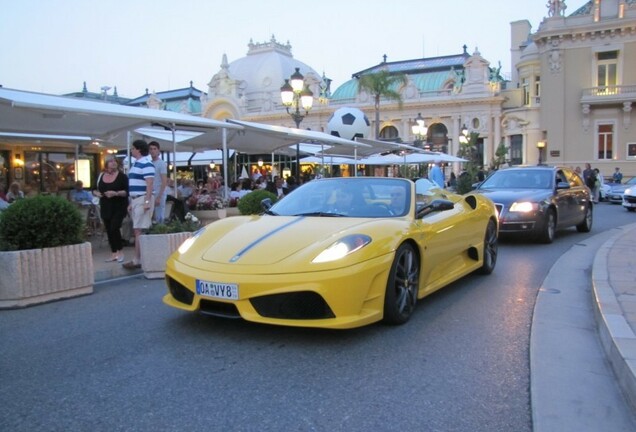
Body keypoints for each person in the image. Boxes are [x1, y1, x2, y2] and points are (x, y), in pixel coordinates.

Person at [122, 139, 155, 270]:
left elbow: (150, 183)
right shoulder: (137, 163)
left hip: (142, 198)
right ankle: (138, 258)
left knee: (138, 230)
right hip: (137, 199)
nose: (131, 150)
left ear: (138, 149)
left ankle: (137, 259)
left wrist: (147, 201)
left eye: (133, 148)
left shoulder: (146, 164)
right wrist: (132, 202)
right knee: (138, 229)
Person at [93, 157, 129, 263]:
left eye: (115, 161)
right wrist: (96, 193)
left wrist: (116, 193)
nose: (113, 163)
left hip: (119, 205)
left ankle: (120, 252)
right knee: (109, 229)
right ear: (106, 164)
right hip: (105, 205)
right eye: (111, 161)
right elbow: (93, 189)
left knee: (114, 227)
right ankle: (113, 253)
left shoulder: (122, 177)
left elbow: (127, 192)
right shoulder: (101, 175)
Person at [148, 141, 168, 223]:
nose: (152, 151)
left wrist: (159, 196)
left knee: (159, 217)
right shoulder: (149, 163)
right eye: (151, 149)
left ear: (158, 151)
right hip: (151, 193)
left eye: (154, 149)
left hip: (159, 193)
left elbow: (164, 181)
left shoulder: (161, 163)